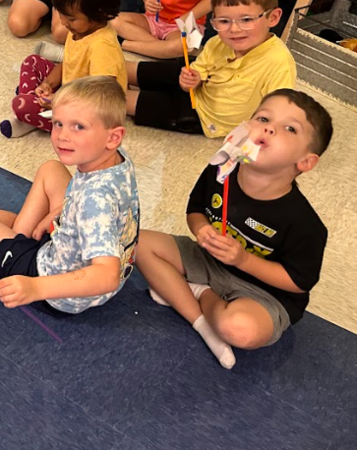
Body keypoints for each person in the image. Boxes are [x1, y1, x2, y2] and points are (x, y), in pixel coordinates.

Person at [136, 90, 332, 369]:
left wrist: (243, 260)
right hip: (210, 261)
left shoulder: (304, 223)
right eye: (263, 118)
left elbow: (298, 282)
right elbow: (195, 210)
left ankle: (199, 293)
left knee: (240, 329)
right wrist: (201, 229)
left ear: (305, 162)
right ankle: (201, 320)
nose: (269, 128)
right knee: (138, 243)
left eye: (290, 128)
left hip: (264, 293)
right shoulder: (222, 168)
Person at [0, 76, 139, 315]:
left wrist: (35, 287)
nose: (62, 135)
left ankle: (12, 250)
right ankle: (15, 240)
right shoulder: (117, 159)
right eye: (58, 123)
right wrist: (59, 211)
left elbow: (107, 276)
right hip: (70, 252)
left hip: (53, 285)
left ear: (113, 137)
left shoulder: (94, 200)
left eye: (78, 127)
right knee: (51, 168)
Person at [126, 0, 295, 137]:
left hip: (203, 116)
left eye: (246, 20)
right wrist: (192, 81)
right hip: (201, 87)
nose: (234, 29)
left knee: (125, 101)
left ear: (273, 17)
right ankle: (117, 69)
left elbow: (278, 114)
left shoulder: (278, 63)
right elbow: (198, 72)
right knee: (156, 69)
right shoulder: (218, 42)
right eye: (224, 21)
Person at [2, 0, 126, 137]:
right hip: (71, 90)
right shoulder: (79, 30)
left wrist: (59, 101)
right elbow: (68, 62)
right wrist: (48, 84)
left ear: (98, 14)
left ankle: (31, 113)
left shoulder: (102, 47)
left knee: (21, 104)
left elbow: (100, 98)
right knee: (32, 62)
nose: (63, 22)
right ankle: (35, 107)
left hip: (92, 109)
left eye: (71, 19)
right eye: (61, 14)